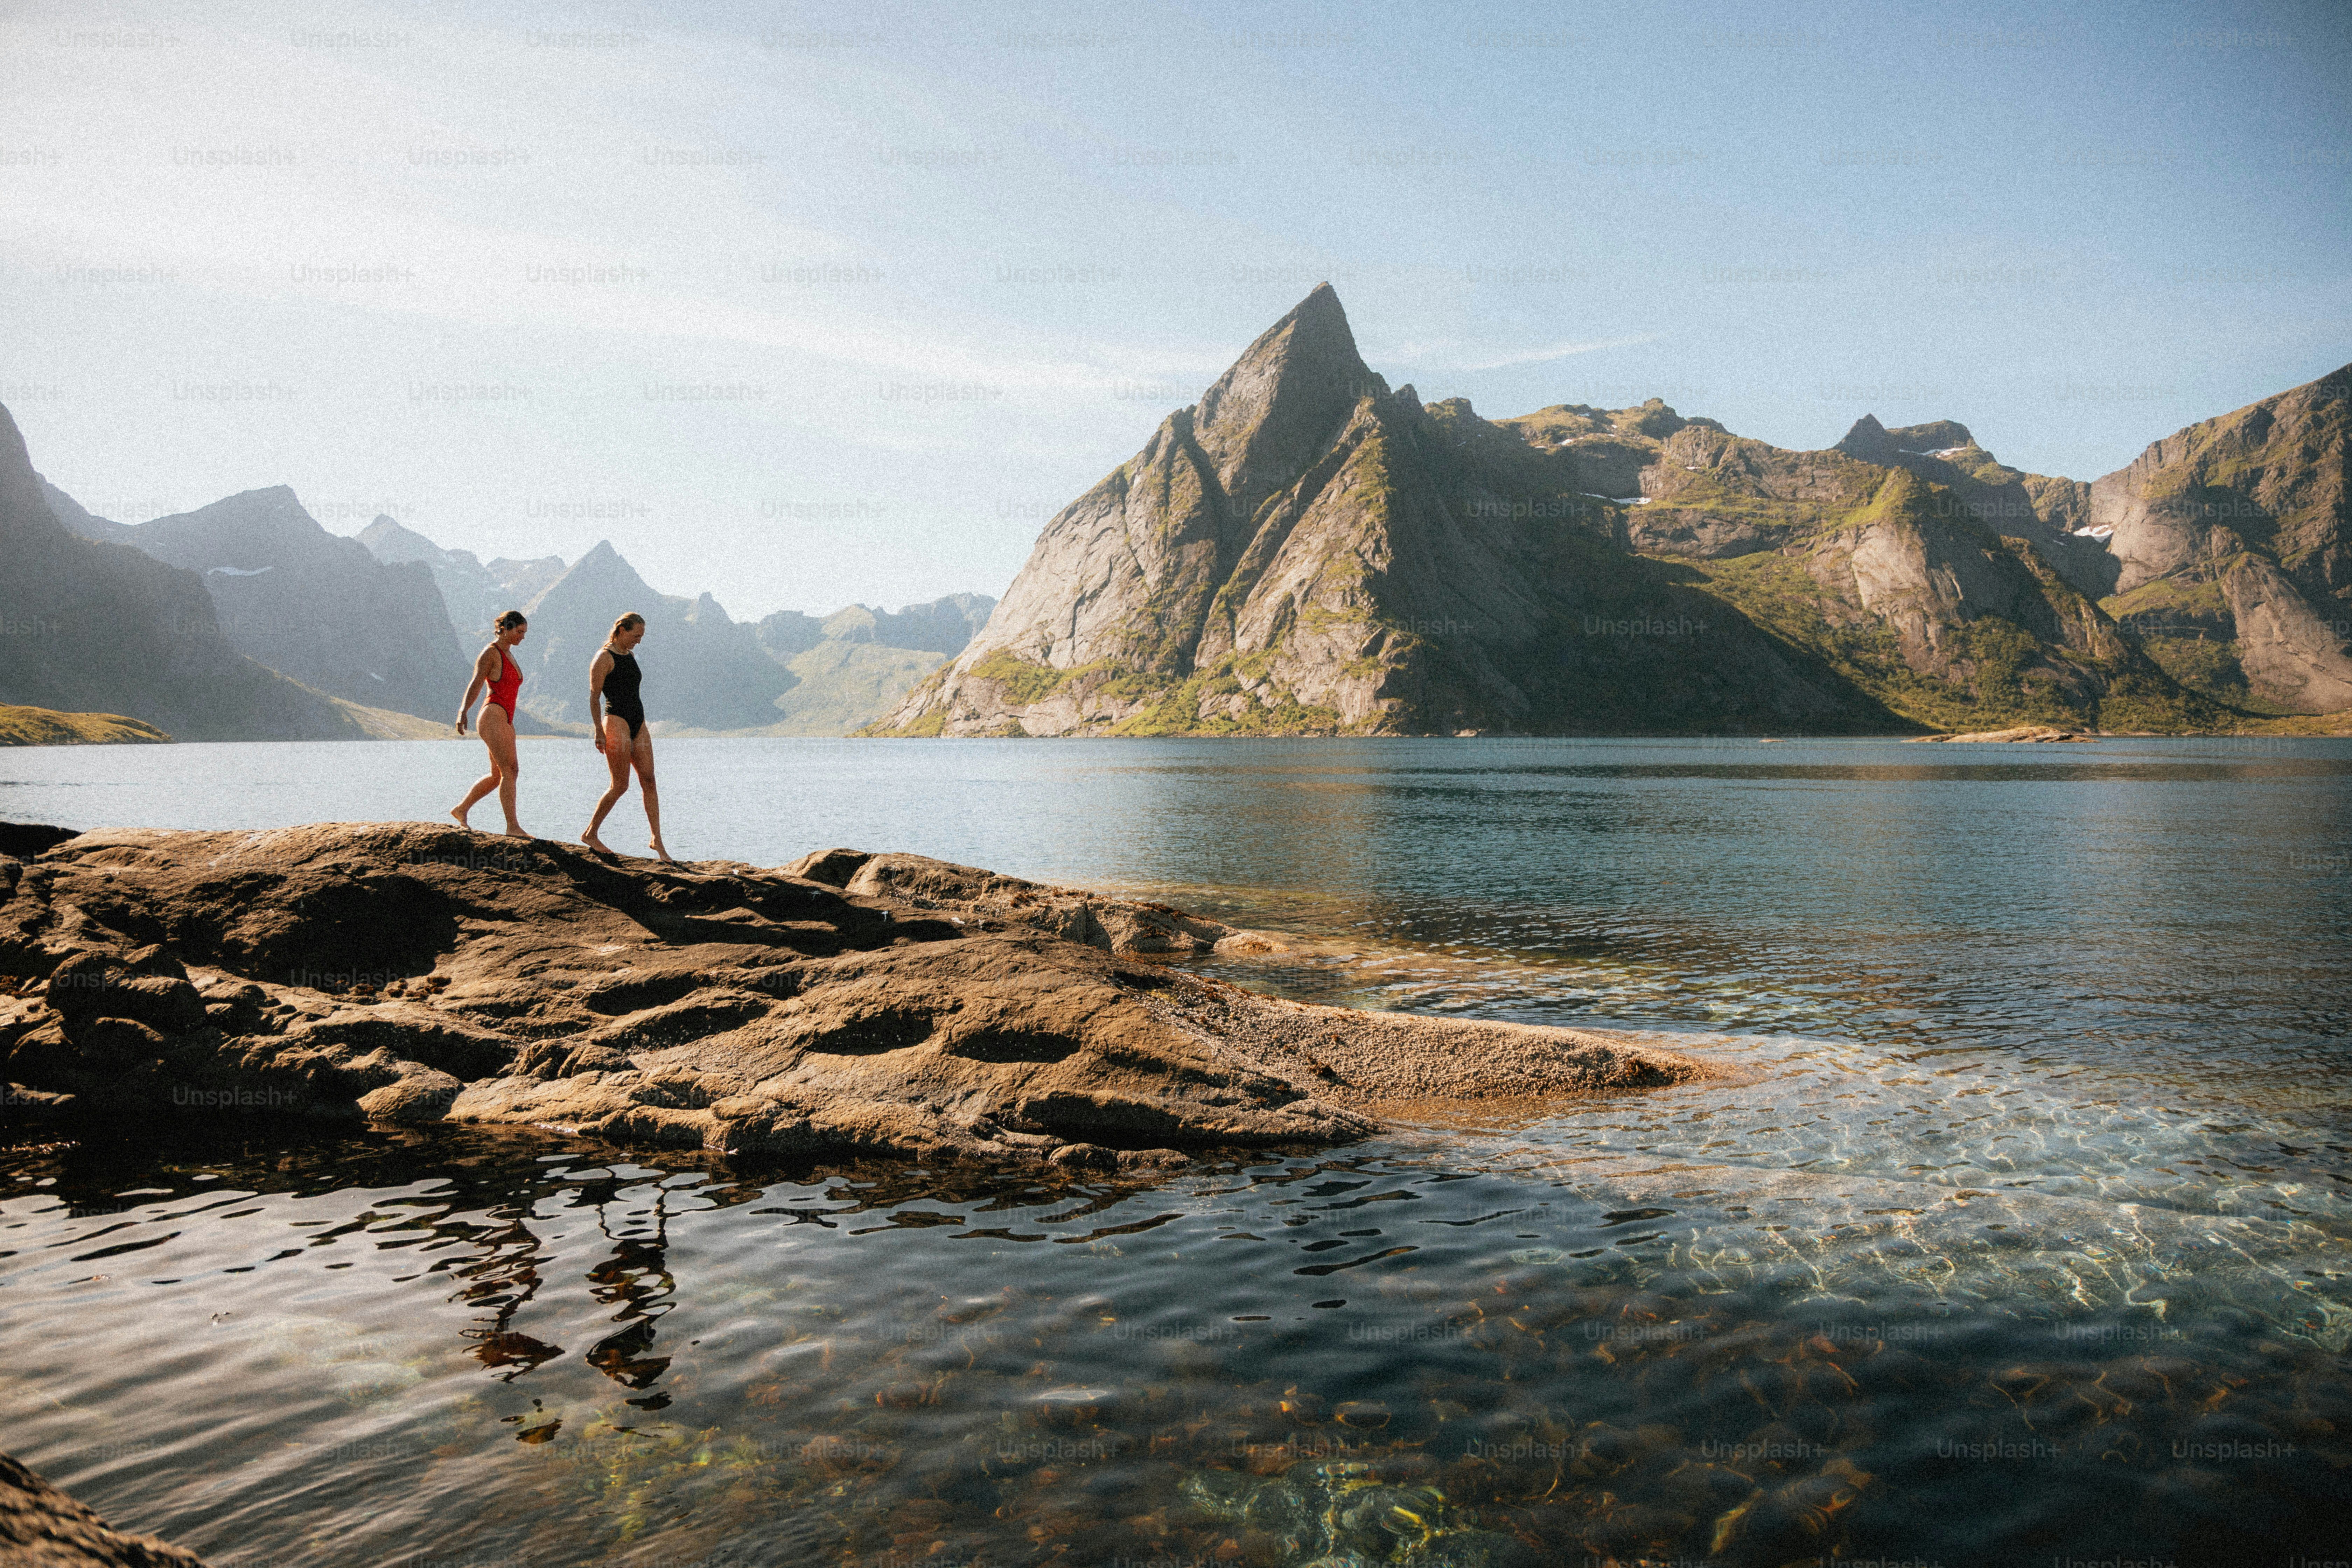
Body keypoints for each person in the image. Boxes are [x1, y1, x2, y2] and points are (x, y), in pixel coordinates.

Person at [583, 611, 672, 861]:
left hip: (638, 722)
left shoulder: (630, 655)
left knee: (650, 781)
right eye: (636, 636)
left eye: (642, 636)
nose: (639, 641)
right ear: (622, 630)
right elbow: (594, 697)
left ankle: (656, 839)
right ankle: (591, 833)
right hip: (616, 721)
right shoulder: (603, 657)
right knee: (620, 785)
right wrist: (598, 731)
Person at [452, 610, 531, 837]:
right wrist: (463, 712)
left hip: (506, 718)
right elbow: (476, 683)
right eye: (520, 632)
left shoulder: (509, 654)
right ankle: (512, 827)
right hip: (493, 714)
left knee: (498, 775)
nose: (523, 637)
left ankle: (461, 810)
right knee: (511, 771)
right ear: (506, 629)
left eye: (524, 633)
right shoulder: (491, 653)